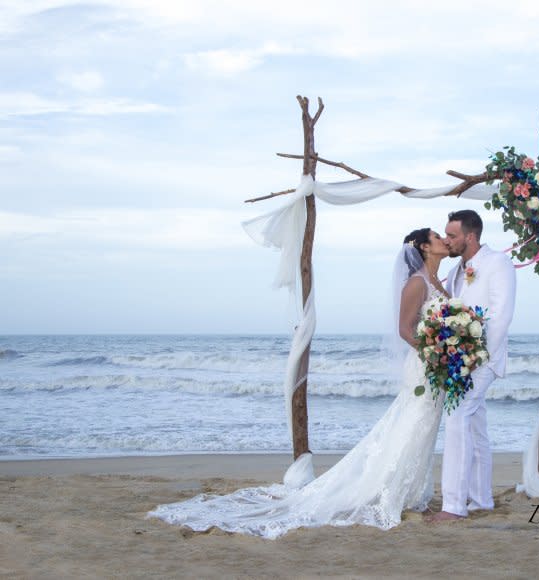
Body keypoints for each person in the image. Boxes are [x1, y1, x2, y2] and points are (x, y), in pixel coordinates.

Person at [148, 228, 450, 537]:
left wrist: (450, 347)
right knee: (413, 424)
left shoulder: (438, 281)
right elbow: (404, 329)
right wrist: (436, 354)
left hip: (435, 366)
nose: (443, 240)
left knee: (423, 427)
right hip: (425, 366)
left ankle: (412, 492)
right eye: (437, 237)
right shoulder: (416, 283)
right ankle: (391, 492)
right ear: (424, 247)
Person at [427, 210, 516, 522]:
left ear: (470, 236)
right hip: (459, 360)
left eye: (452, 236)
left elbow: (502, 315)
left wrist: (475, 357)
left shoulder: (498, 264)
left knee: (456, 419)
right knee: (476, 428)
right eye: (446, 235)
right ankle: (480, 500)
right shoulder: (454, 272)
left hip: (483, 359)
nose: (447, 240)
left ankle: (453, 505)